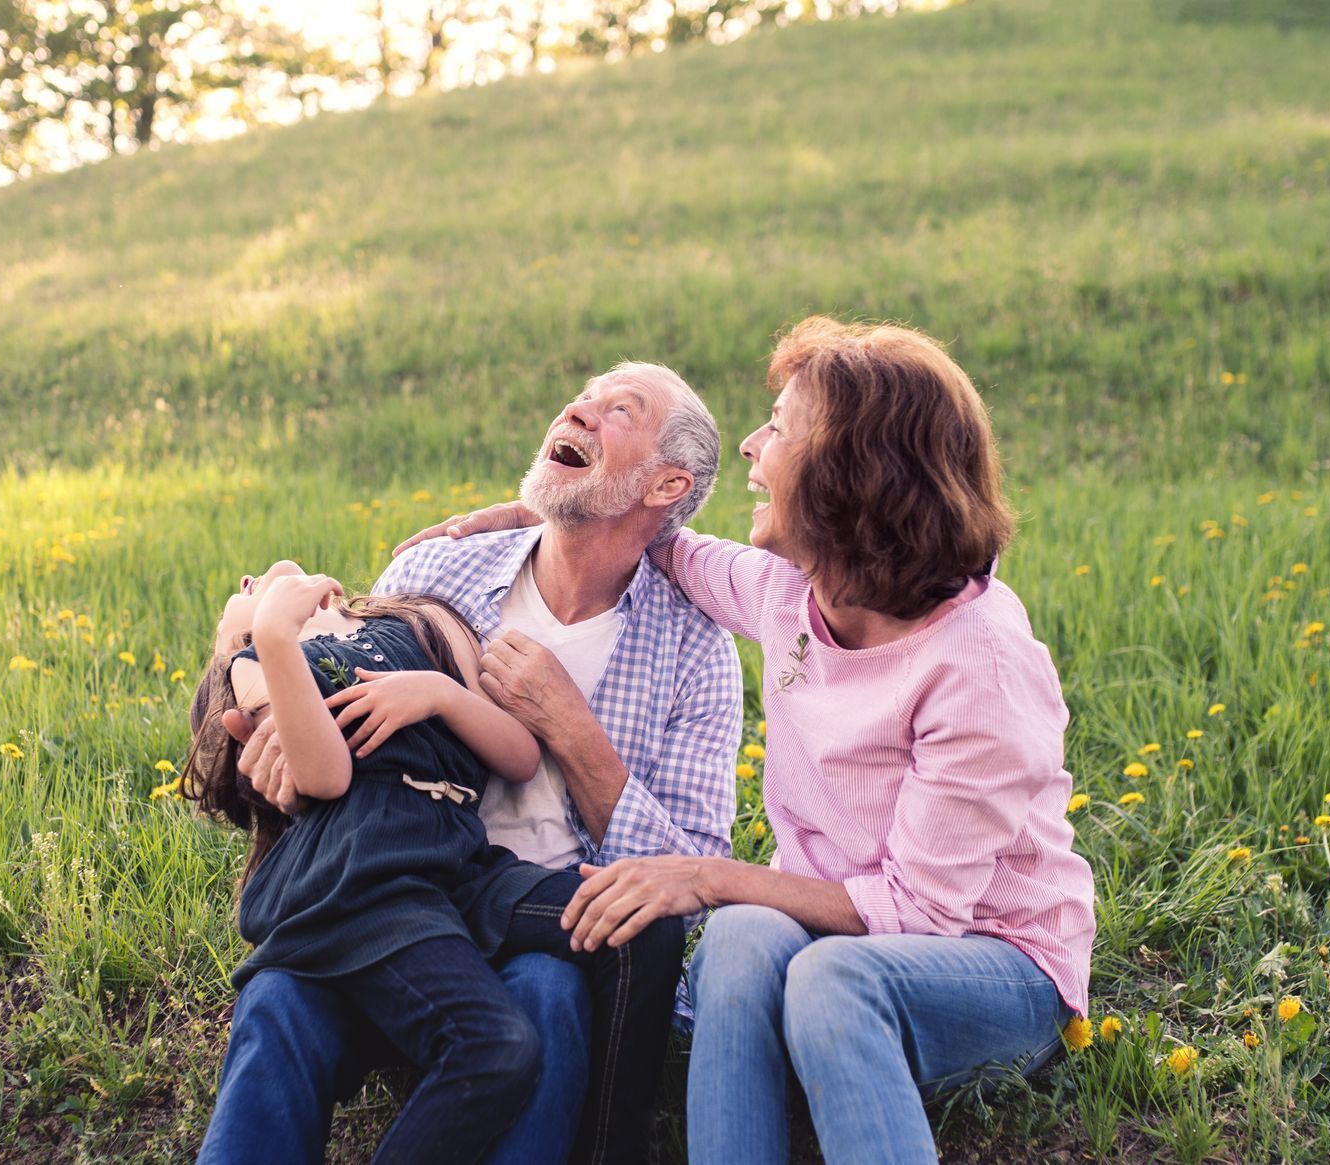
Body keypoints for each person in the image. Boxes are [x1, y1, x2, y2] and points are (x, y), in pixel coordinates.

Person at [399, 319, 1097, 1165]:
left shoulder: (979, 661)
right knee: (737, 936)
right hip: (837, 940)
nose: (756, 450)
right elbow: (657, 536)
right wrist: (534, 513)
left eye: (779, 428)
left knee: (830, 979)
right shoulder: (787, 593)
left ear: (853, 472)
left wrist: (704, 874)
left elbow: (921, 912)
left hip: (994, 966)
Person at [199, 362, 744, 1165]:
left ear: (666, 483)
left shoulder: (695, 651)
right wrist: (270, 730)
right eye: (584, 396)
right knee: (281, 996)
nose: (580, 408)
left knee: (545, 999)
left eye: (617, 409)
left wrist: (575, 732)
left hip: (530, 920)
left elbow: (690, 881)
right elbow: (316, 703)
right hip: (392, 892)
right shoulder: (434, 571)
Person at [184, 564, 684, 1165]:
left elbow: (521, 757)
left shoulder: (417, 620)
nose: (243, 581)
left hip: (456, 863)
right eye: (229, 620)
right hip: (371, 859)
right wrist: (267, 635)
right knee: (490, 1046)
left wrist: (438, 692)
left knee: (643, 920)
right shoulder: (263, 662)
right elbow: (324, 774)